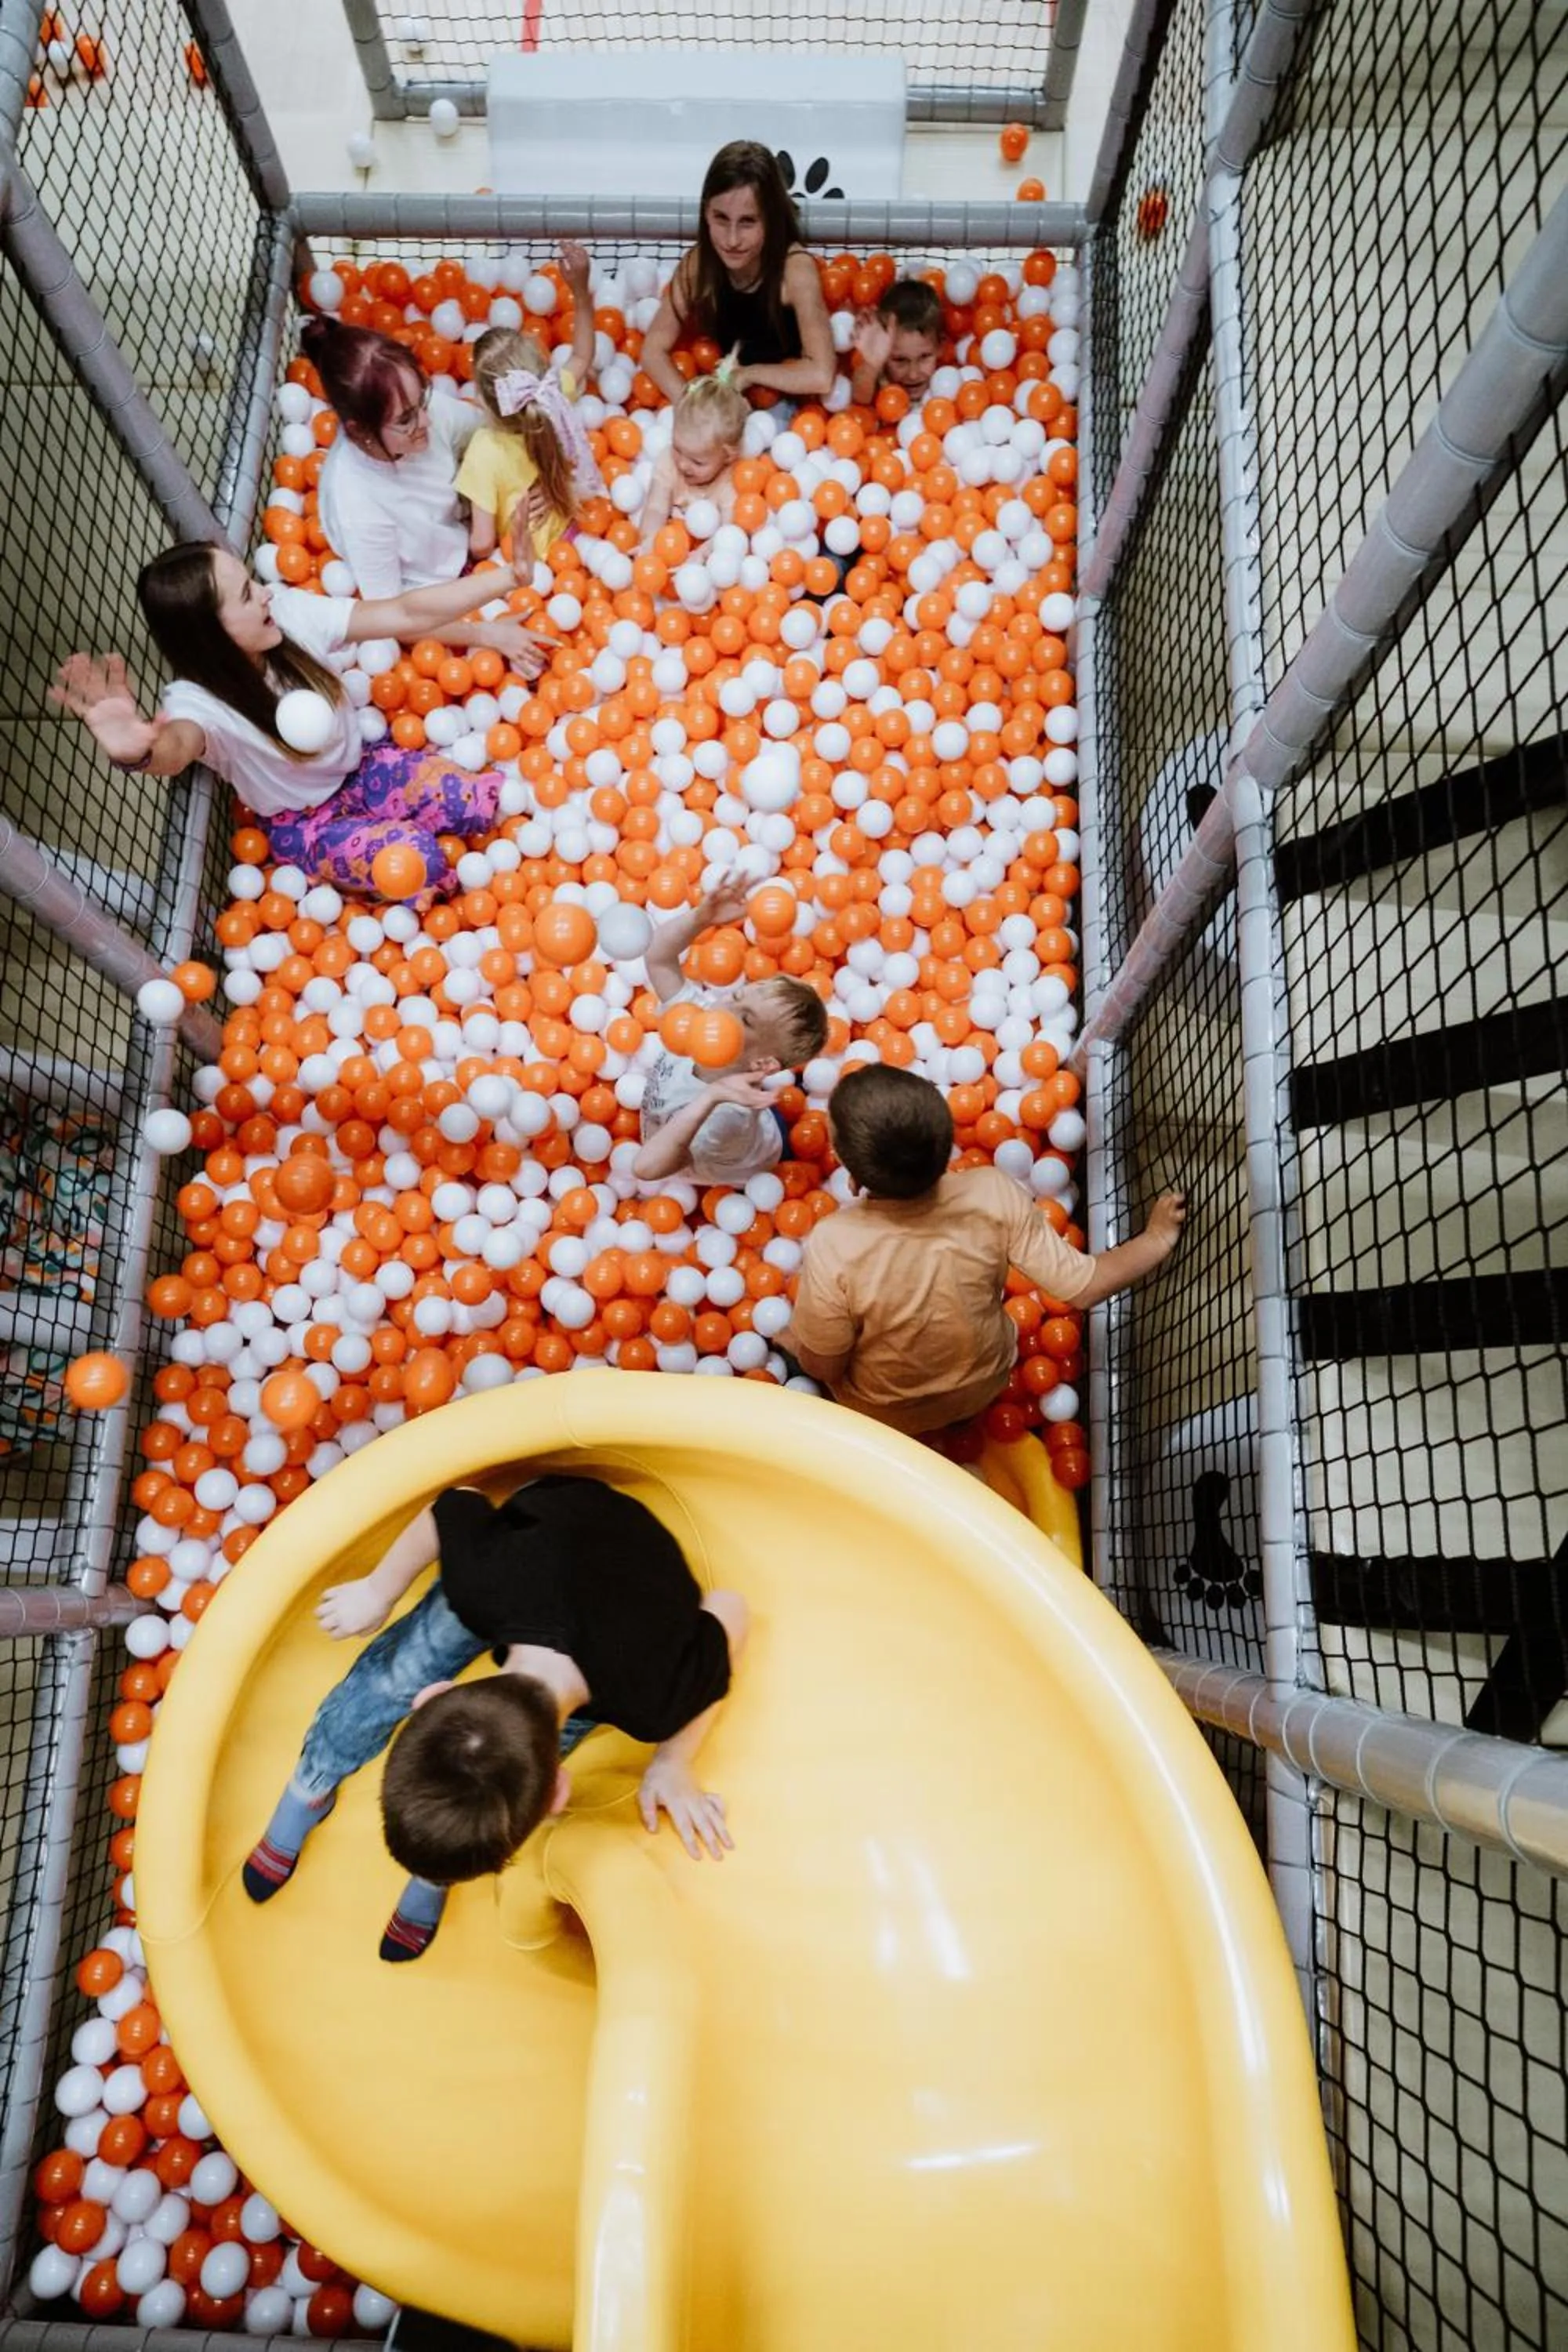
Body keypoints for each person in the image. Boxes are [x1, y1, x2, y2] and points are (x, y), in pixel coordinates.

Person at [243, 1472, 749, 1963]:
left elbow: (727, 1610)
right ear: (558, 1793)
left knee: (521, 1751)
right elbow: (454, 1505)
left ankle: (437, 1871)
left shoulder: (654, 1697)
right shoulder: (487, 1585)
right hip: (542, 1539)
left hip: (605, 1566)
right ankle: (313, 1782)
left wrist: (672, 1762)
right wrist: (378, 1592)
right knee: (399, 1674)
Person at [52, 543, 547, 900]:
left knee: (478, 802)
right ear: (211, 633)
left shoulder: (288, 613)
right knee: (418, 864)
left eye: (253, 581)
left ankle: (378, 839)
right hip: (304, 820)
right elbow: (176, 748)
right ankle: (342, 873)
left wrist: (505, 580)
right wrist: (133, 750)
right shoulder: (197, 703)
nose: (264, 595)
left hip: (363, 769)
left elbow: (402, 611)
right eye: (246, 595)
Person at [786, 1065, 1186, 1436]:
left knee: (800, 1346)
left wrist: (800, 1343)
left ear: (850, 1173)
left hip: (886, 1413)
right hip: (985, 1381)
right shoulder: (991, 1191)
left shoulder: (834, 1242)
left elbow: (825, 1364)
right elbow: (1084, 1286)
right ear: (949, 1143)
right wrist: (1156, 1239)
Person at [634, 878, 829, 1185]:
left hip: (750, 1159)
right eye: (738, 996)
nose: (724, 1009)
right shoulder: (696, 1018)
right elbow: (657, 957)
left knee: (791, 1141)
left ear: (763, 1063)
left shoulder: (725, 1118)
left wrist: (712, 1096)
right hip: (731, 1102)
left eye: (747, 1020)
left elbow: (646, 1168)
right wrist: (700, 918)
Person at [307, 318, 487, 612]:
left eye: (422, 401)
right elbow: (391, 615)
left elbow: (490, 430)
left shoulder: (421, 412)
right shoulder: (358, 504)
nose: (427, 421)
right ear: (359, 432)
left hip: (466, 545)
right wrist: (489, 634)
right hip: (427, 595)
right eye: (405, 420)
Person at [640, 140, 836, 407]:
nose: (732, 240)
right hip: (724, 400)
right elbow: (652, 350)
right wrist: (691, 404)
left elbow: (822, 375)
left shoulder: (795, 270)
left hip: (790, 406)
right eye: (721, 218)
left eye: (748, 221)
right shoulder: (700, 264)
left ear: (771, 219)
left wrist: (747, 375)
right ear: (706, 213)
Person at [457, 240, 602, 561]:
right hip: (569, 538)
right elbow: (582, 355)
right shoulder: (550, 396)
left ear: (481, 398)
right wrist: (580, 292)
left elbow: (481, 544)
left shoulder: (483, 450)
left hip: (524, 563)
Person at [639, 372, 748, 541]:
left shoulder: (730, 480)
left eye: (697, 462)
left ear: (728, 457)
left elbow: (729, 532)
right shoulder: (668, 462)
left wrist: (704, 553)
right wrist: (649, 541)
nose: (682, 464)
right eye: (678, 449)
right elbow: (656, 508)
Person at [848, 279, 944, 408]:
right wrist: (871, 366)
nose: (913, 375)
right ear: (885, 356)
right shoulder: (881, 381)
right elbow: (859, 398)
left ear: (940, 348)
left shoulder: (949, 381)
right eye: (900, 360)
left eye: (924, 357)